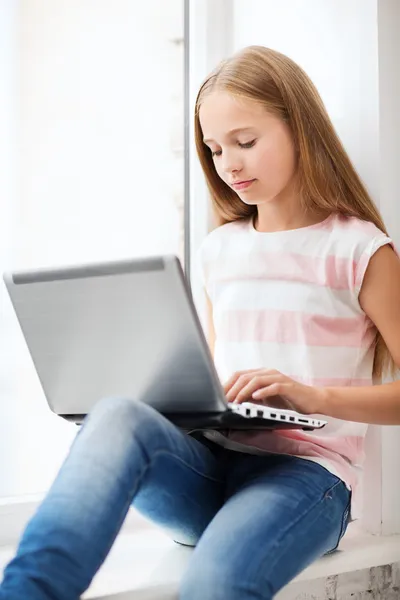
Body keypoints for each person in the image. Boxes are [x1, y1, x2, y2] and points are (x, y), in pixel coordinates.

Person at [1, 45, 400, 600]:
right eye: (214, 149)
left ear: (300, 128)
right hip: (211, 465)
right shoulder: (220, 251)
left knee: (213, 584)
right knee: (117, 413)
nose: (228, 164)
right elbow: (216, 373)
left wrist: (312, 397)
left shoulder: (360, 249)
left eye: (246, 142)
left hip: (309, 477)